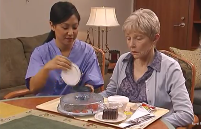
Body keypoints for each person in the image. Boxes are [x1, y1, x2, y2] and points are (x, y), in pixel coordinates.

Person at [100, 8, 194, 128]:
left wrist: (158, 124)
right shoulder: (123, 61)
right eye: (128, 38)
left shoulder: (170, 68)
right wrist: (89, 101)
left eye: (138, 38)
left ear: (155, 38)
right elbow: (110, 94)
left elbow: (186, 114)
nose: (131, 44)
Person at [25, 1, 103, 96]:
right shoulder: (40, 53)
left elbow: (92, 84)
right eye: (65, 27)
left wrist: (87, 88)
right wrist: (46, 68)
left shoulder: (87, 52)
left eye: (74, 27)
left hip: (75, 106)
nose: (70, 33)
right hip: (44, 106)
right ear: (52, 25)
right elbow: (33, 88)